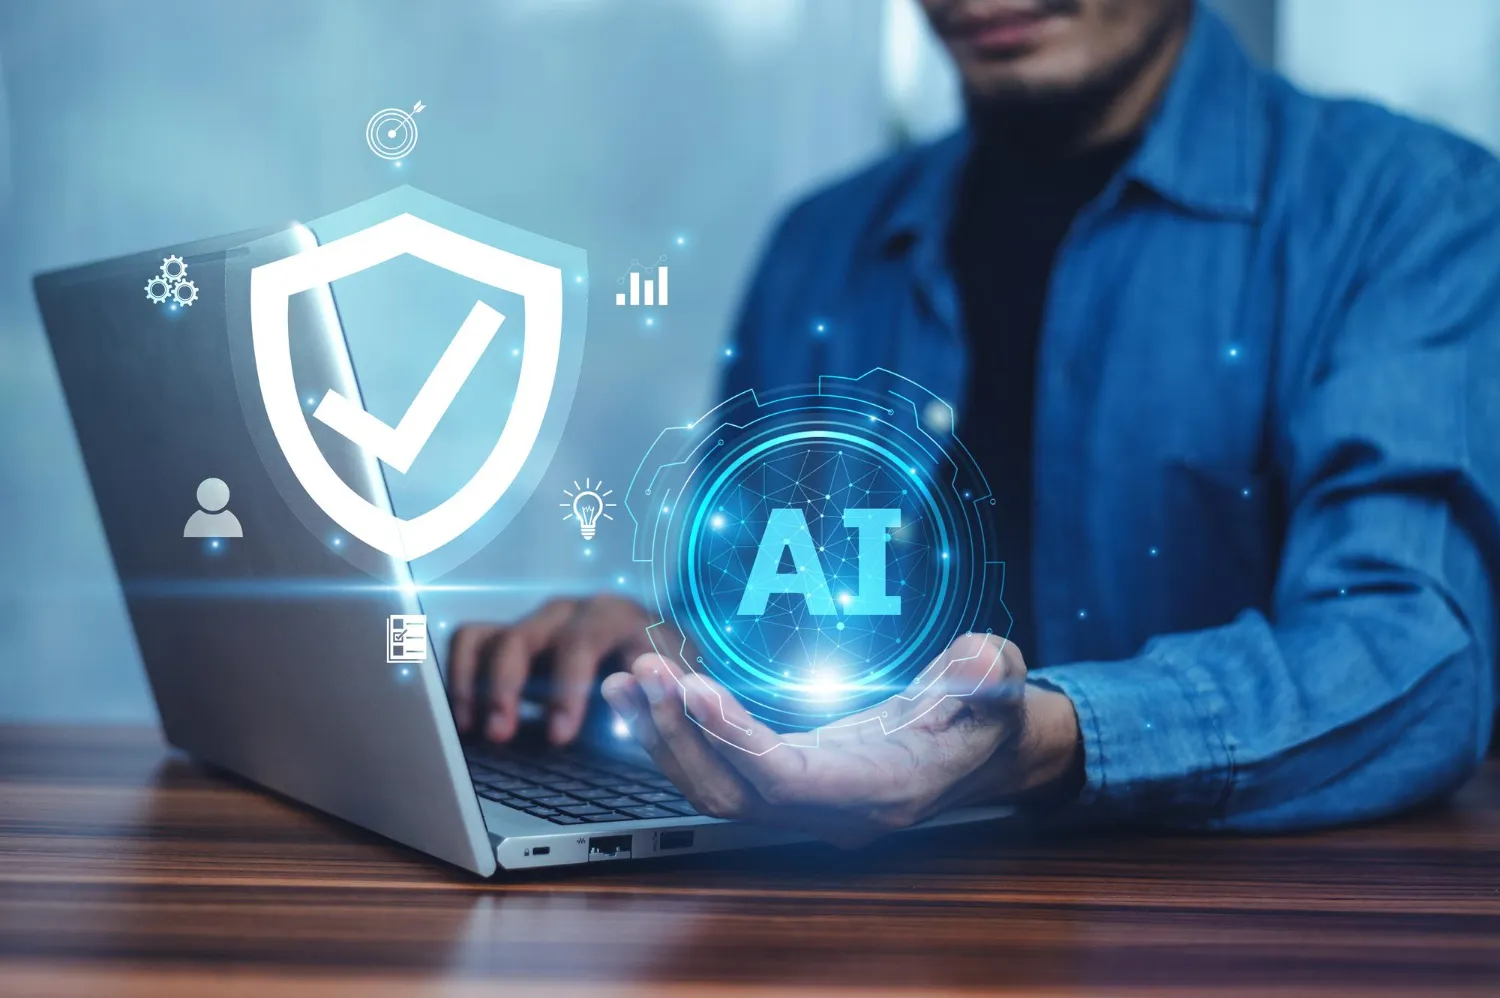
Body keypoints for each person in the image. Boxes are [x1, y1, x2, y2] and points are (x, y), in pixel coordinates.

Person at [449, 0, 1500, 843]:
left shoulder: (1412, 209)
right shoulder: (821, 245)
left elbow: (1415, 653)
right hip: (842, 921)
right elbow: (767, 625)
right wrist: (672, 660)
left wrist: (1044, 740)